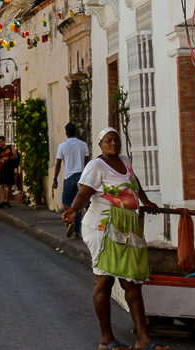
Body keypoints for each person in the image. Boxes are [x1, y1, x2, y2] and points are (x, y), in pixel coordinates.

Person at [62, 127, 167, 350]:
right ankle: (106, 340)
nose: (114, 143)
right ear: (100, 145)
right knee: (105, 281)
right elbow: (84, 193)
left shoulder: (124, 159)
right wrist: (73, 210)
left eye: (116, 140)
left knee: (132, 283)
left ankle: (143, 339)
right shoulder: (95, 166)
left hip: (126, 227)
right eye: (108, 140)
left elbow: (133, 180)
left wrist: (145, 200)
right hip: (102, 227)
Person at [53, 122, 90, 239]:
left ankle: (70, 222)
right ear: (75, 132)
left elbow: (58, 164)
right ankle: (76, 232)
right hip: (81, 177)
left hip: (68, 178)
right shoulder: (83, 145)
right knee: (77, 205)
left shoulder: (62, 146)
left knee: (67, 204)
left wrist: (55, 179)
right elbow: (87, 163)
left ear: (66, 133)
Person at [0, 136, 18, 208]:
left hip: (9, 169)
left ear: (4, 141)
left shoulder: (10, 147)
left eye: (0, 142)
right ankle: (3, 201)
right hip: (1, 169)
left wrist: (8, 158)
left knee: (9, 186)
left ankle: (7, 200)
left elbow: (15, 156)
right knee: (2, 185)